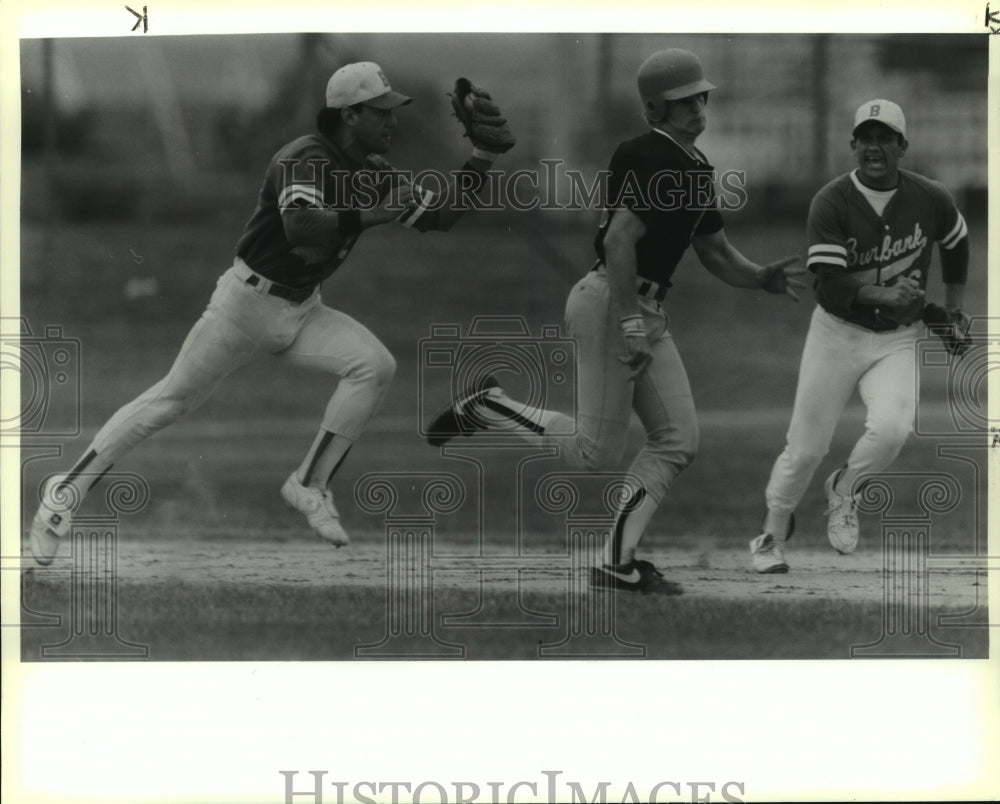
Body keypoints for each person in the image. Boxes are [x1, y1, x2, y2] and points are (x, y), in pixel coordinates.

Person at [28, 62, 512, 566]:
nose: (392, 121)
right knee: (168, 403)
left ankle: (309, 483)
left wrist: (480, 157)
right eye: (381, 111)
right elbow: (302, 225)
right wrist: (375, 214)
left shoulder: (371, 172)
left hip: (302, 309)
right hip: (244, 307)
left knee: (375, 366)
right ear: (348, 116)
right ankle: (62, 497)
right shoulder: (304, 157)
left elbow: (440, 217)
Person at [425, 49, 805, 595]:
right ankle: (488, 405)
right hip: (613, 302)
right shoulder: (646, 152)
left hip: (640, 308)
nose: (697, 106)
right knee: (591, 453)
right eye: (682, 100)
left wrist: (760, 276)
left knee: (677, 440)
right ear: (655, 107)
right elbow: (619, 240)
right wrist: (630, 323)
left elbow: (717, 253)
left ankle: (617, 561)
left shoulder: (696, 166)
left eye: (700, 96)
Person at [750, 98, 970, 574]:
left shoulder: (930, 196)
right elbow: (828, 282)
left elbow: (955, 240)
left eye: (885, 138)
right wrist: (886, 294)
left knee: (892, 429)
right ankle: (771, 533)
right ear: (853, 145)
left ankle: (844, 490)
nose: (875, 147)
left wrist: (950, 309)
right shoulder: (832, 201)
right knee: (806, 447)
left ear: (902, 146)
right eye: (866, 138)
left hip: (896, 337)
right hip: (836, 332)